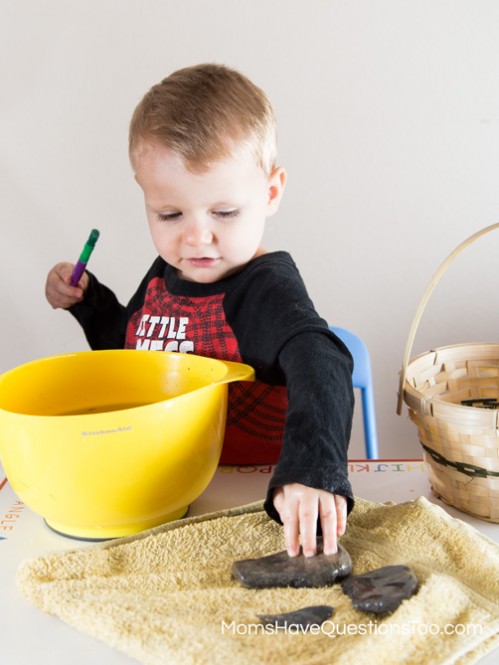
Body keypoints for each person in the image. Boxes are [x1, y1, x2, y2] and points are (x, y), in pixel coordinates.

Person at [45, 63, 354, 558]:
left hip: (244, 503)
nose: (195, 237)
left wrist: (311, 471)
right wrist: (90, 302)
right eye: (169, 214)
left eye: (224, 212)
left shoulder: (264, 288)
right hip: (159, 496)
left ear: (270, 193)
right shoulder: (167, 272)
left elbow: (325, 362)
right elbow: (130, 353)